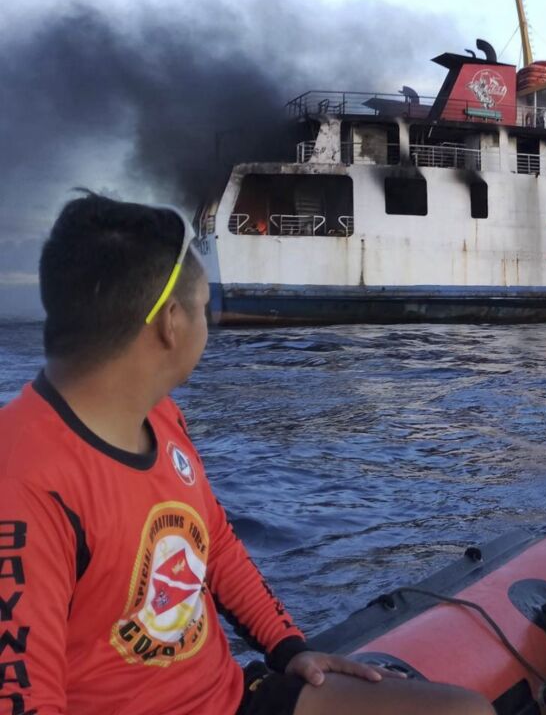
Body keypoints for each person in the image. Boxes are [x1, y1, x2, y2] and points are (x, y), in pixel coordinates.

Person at [0, 194, 493, 715]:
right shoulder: (23, 480)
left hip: (231, 697)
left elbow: (213, 546)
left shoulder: (160, 416)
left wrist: (288, 648)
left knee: (465, 711)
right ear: (171, 323)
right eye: (204, 309)